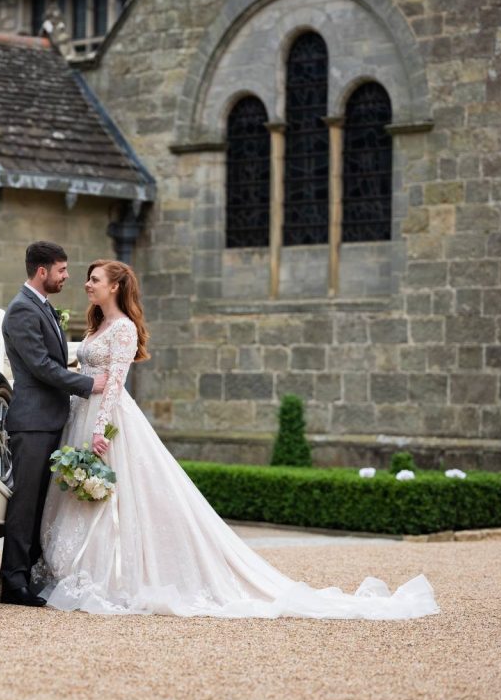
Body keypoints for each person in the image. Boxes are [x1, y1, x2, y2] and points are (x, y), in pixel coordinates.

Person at [36, 259, 439, 619]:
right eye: (88, 279)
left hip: (109, 420)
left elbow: (118, 382)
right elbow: (86, 370)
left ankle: (113, 577)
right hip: (82, 412)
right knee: (87, 495)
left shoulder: (122, 328)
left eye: (94, 279)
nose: (87, 284)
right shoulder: (96, 326)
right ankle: (82, 569)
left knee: (118, 497)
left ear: (116, 287)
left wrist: (100, 431)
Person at [0, 241, 107, 607]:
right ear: (41, 271)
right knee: (25, 503)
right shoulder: (20, 310)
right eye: (62, 270)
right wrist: (88, 384)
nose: (66, 276)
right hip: (32, 422)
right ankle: (13, 583)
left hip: (49, 419)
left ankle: (29, 575)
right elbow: (41, 366)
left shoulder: (40, 306)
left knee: (42, 502)